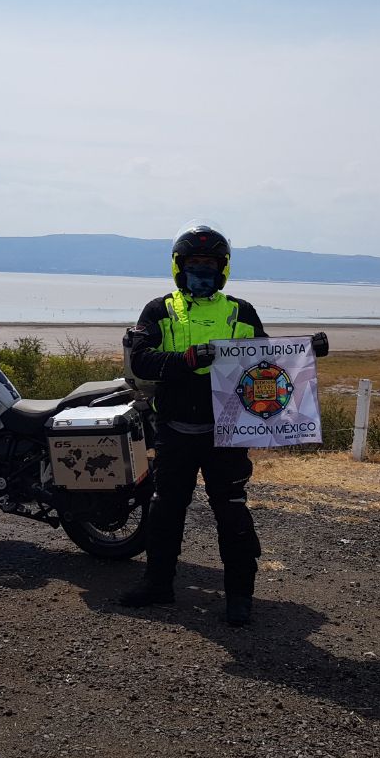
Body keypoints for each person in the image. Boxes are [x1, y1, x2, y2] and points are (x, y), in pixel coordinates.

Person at [119, 223, 328, 625]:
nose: (202, 270)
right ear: (179, 266)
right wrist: (186, 360)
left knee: (232, 512)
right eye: (194, 263)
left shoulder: (241, 311)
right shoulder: (159, 310)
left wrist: (307, 351)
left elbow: (268, 360)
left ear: (223, 268)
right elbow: (141, 359)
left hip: (228, 432)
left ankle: (239, 596)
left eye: (210, 263)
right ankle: (157, 584)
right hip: (175, 428)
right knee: (165, 509)